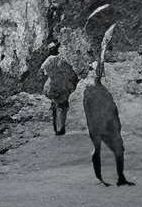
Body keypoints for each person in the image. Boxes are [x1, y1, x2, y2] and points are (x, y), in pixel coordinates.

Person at [81, 56, 132, 186]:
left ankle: (120, 177)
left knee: (119, 149)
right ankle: (100, 178)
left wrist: (116, 125)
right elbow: (89, 113)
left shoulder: (103, 89)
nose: (98, 74)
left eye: (100, 71)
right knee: (98, 151)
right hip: (98, 128)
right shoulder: (89, 91)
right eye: (96, 71)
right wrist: (96, 128)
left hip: (110, 126)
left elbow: (112, 109)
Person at [40, 43, 78, 136]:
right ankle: (62, 127)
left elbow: (42, 71)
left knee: (55, 106)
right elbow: (70, 72)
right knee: (63, 107)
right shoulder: (63, 60)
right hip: (63, 86)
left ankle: (56, 128)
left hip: (53, 86)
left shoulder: (49, 60)